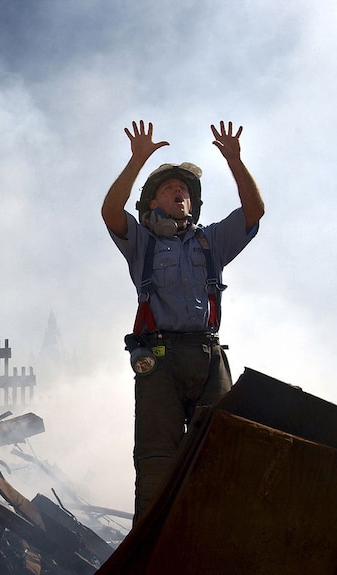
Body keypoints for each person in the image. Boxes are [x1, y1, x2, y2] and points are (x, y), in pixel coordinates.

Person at [101, 120, 265, 524]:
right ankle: (151, 555)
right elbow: (110, 212)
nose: (181, 193)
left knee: (222, 454)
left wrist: (235, 161)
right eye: (171, 189)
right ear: (152, 203)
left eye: (186, 192)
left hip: (208, 357)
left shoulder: (210, 241)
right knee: (158, 463)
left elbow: (253, 211)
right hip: (159, 360)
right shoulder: (142, 243)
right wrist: (137, 160)